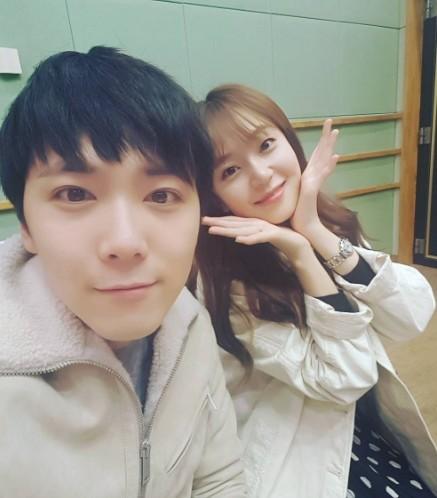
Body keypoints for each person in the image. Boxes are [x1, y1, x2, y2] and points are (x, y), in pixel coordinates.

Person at [0, 48, 247, 498]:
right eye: (75, 194)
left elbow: (220, 478)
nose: (125, 241)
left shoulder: (188, 321)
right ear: (26, 226)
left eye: (161, 195)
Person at [196, 83, 437, 498]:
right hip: (297, 451)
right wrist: (303, 255)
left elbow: (409, 317)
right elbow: (346, 377)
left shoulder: (321, 221)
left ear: (290, 141)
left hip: (357, 422)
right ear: (214, 197)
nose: (261, 174)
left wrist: (314, 233)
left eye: (266, 145)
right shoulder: (225, 283)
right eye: (230, 171)